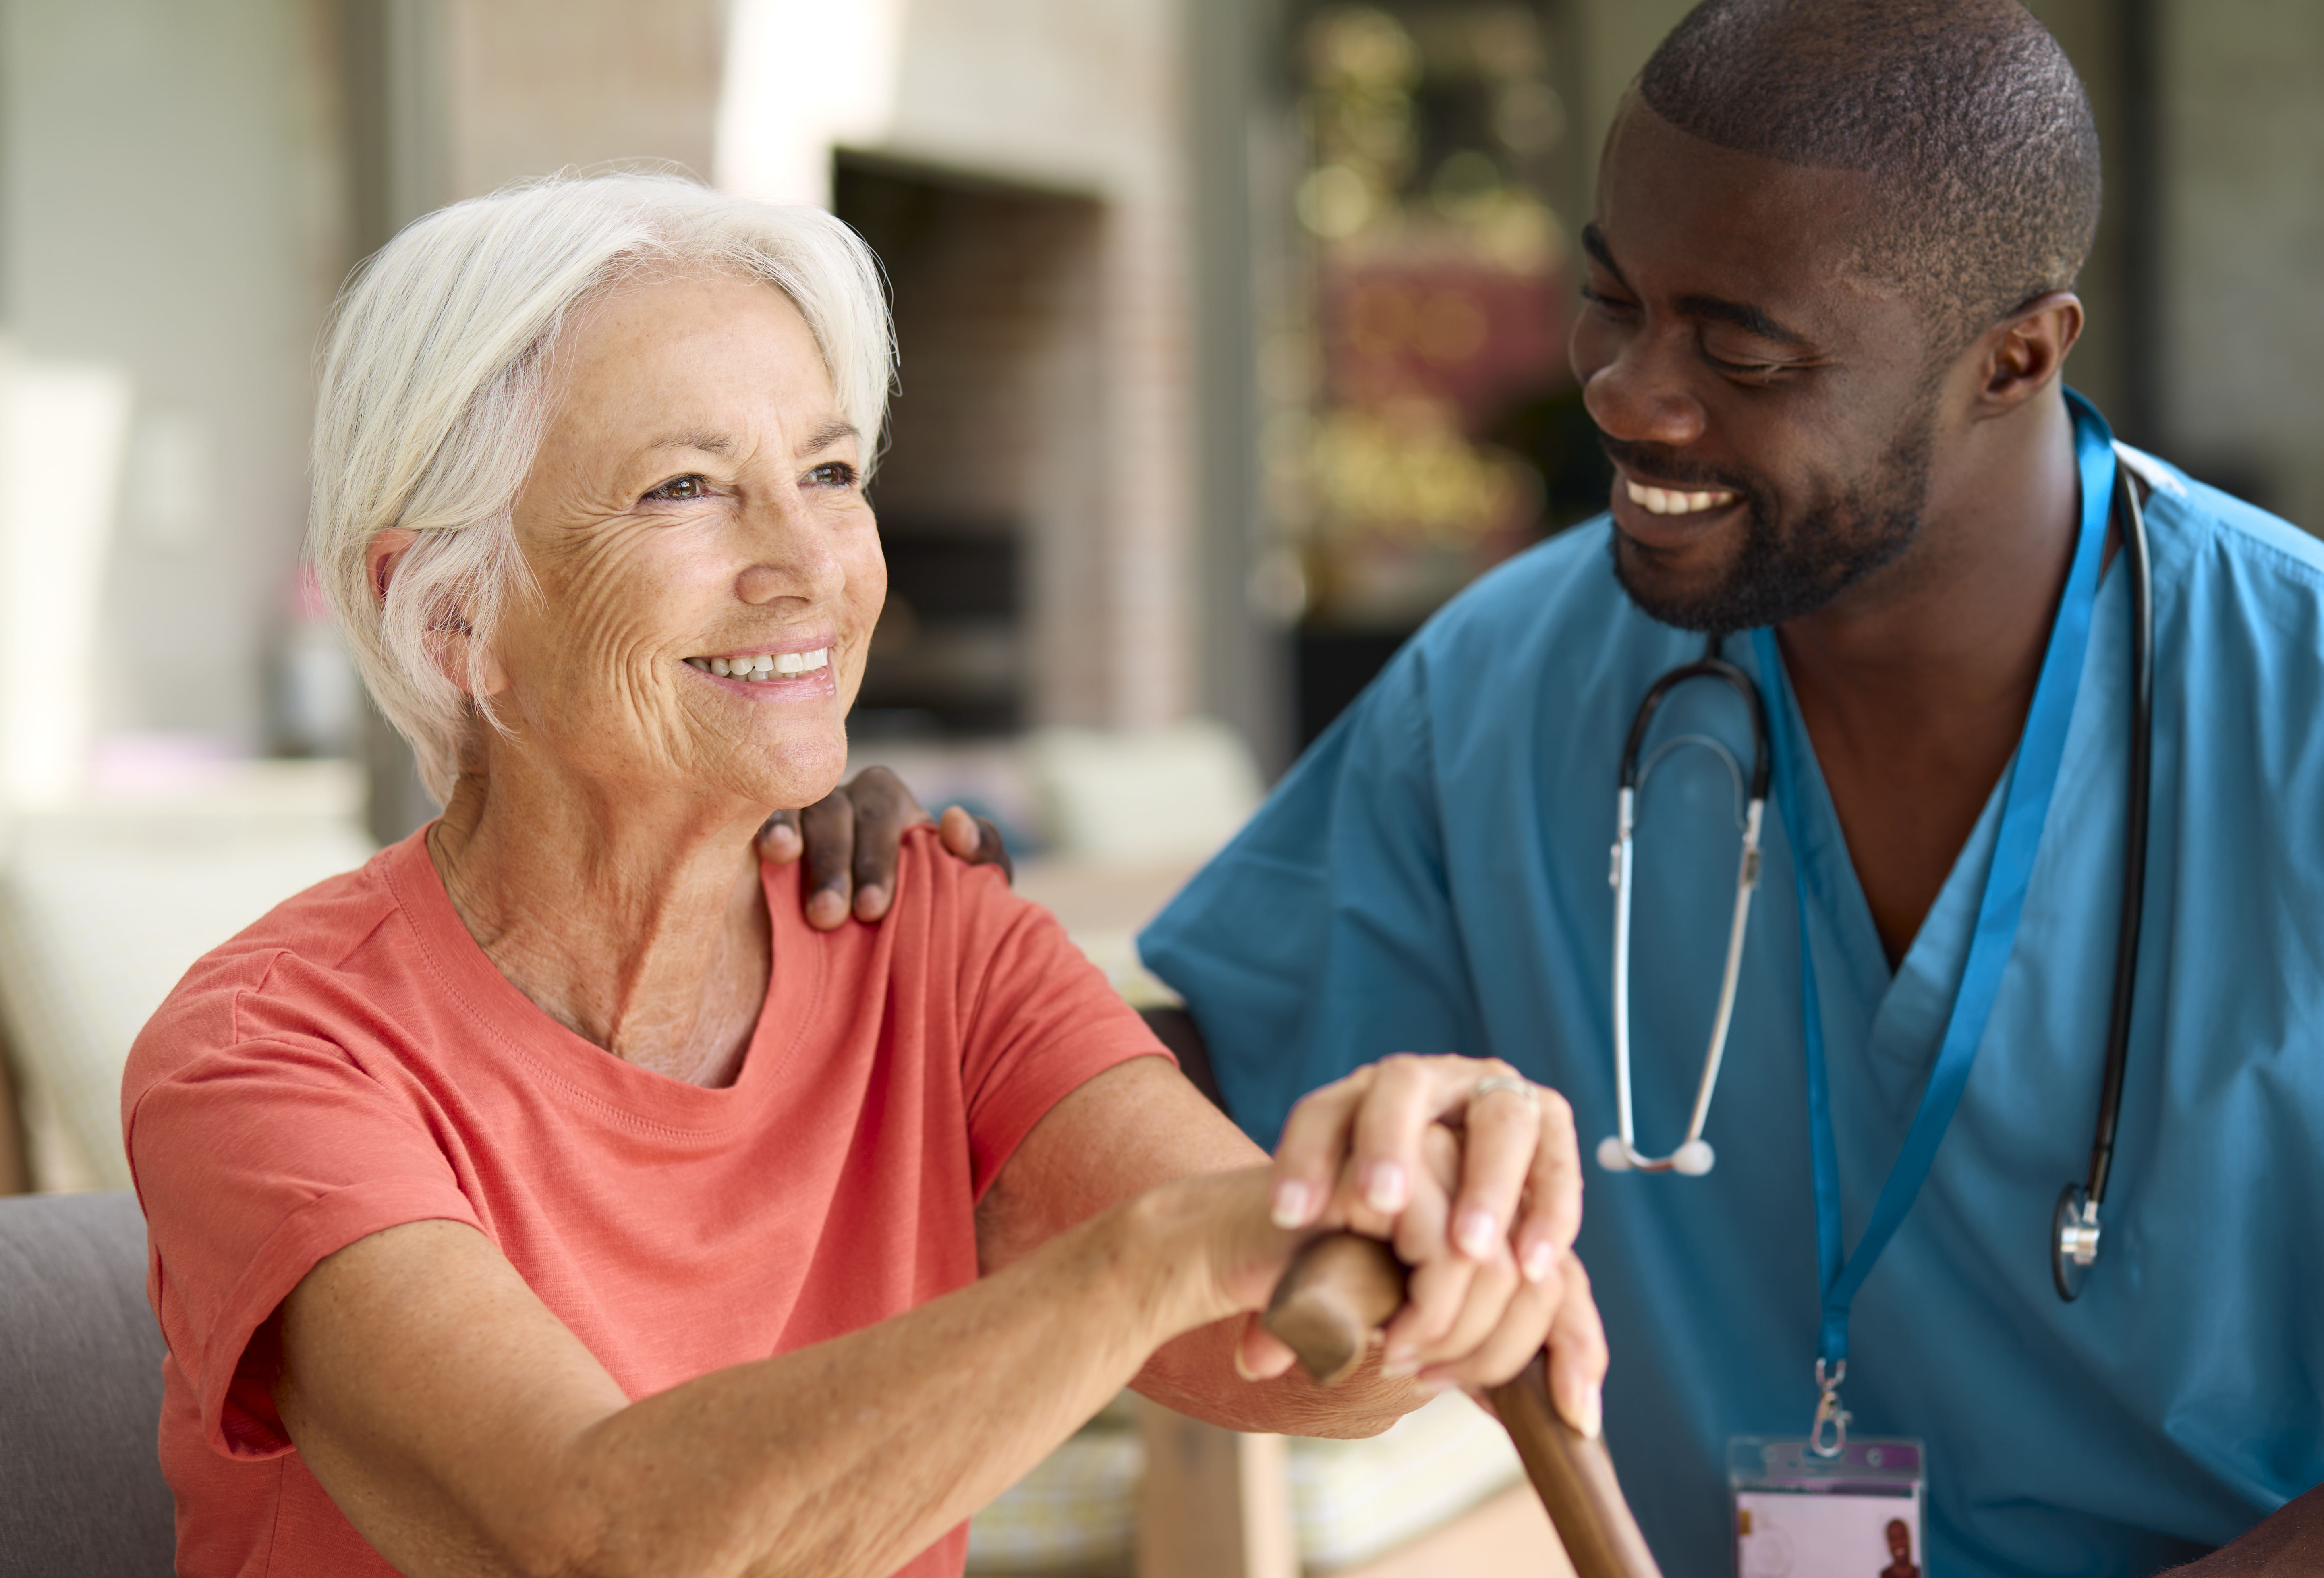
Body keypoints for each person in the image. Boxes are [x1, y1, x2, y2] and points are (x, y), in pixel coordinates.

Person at [802, 3, 2324, 1574]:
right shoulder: (1508, 680)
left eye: (1741, 349)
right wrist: (906, 958)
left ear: (2014, 356)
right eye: (1611, 301)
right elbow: (1173, 1106)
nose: (1628, 392)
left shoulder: (2300, 709)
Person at [120, 173, 1607, 1578]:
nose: (807, 562)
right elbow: (590, 1538)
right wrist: (1149, 1263)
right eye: (684, 489)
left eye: (829, 471)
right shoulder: (270, 1054)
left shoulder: (922, 933)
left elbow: (1296, 1361)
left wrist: (1424, 1218)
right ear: (447, 617)